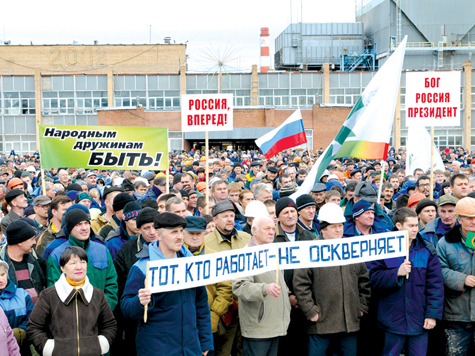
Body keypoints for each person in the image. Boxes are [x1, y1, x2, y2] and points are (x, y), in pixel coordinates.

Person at [121, 213, 213, 355]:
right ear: (158, 235)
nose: (180, 236)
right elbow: (126, 308)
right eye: (173, 232)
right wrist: (139, 302)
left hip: (190, 348)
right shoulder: (142, 267)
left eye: (181, 231)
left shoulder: (192, 265)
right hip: (157, 349)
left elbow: (201, 306)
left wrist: (205, 341)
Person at [293, 203, 370, 356]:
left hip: (349, 321)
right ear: (323, 229)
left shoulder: (351, 248)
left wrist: (361, 306)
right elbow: (301, 284)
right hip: (321, 322)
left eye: (340, 226)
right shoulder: (310, 250)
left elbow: (364, 280)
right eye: (333, 226)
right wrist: (310, 311)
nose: (338, 230)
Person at [368, 208, 444, 356]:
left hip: (419, 319)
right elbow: (374, 278)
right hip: (392, 320)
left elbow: (435, 286)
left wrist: (432, 315)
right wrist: (396, 273)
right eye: (411, 226)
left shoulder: (427, 250)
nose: (415, 230)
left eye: (416, 225)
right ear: (398, 226)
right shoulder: (383, 248)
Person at [27, 246, 117, 356]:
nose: (79, 267)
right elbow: (34, 327)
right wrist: (49, 348)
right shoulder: (49, 295)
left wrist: (100, 345)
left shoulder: (97, 295)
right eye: (73, 263)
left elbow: (110, 325)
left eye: (83, 262)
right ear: (62, 268)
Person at [233, 216, 290, 356]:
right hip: (259, 328)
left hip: (275, 325)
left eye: (273, 228)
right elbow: (239, 286)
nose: (271, 232)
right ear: (254, 230)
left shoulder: (272, 251)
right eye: (267, 229)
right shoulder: (246, 254)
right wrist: (265, 288)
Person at [46, 208, 118, 311]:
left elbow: (112, 284)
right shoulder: (57, 255)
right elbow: (54, 292)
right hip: (71, 320)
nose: (84, 228)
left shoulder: (102, 250)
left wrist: (102, 309)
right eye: (78, 224)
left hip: (101, 316)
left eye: (86, 223)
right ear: (70, 228)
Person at [205, 200, 251, 356]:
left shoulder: (246, 238)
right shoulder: (206, 243)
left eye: (232, 216)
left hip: (247, 305)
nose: (230, 219)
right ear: (215, 219)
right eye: (225, 216)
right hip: (224, 309)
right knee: (223, 351)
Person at [113, 207, 160, 356]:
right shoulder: (126, 251)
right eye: (147, 228)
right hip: (137, 320)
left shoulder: (174, 248)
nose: (152, 232)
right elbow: (121, 290)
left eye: (155, 226)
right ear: (139, 229)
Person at [273, 197, 315, 356]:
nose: (290, 215)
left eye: (292, 211)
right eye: (285, 212)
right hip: (281, 303)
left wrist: (305, 297)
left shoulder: (309, 237)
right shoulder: (272, 239)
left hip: (306, 302)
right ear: (278, 217)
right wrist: (287, 296)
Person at [437, 197, 475, 355]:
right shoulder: (445, 243)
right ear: (459, 219)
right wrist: (462, 279)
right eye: (469, 218)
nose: (474, 221)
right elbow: (439, 270)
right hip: (457, 316)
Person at [0, 220, 46, 304]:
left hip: (38, 313)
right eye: (32, 239)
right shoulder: (2, 263)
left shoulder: (35, 259)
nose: (35, 242)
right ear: (20, 242)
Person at [0, 260, 34, 355]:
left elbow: (32, 317)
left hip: (24, 345)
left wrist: (21, 331)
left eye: (3, 274)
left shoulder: (22, 294)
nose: (1, 279)